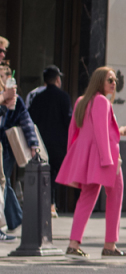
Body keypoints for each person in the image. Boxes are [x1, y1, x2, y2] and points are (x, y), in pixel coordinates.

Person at [59, 67, 126, 258]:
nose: (114, 83)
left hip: (86, 156)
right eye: (110, 80)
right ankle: (109, 245)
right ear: (100, 81)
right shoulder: (101, 101)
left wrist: (73, 158)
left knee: (86, 197)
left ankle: (73, 244)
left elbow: (74, 131)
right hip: (104, 157)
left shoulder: (82, 101)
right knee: (115, 195)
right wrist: (109, 161)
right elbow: (100, 133)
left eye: (114, 80)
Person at [0, 64, 40, 237]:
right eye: (2, 77)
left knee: (4, 182)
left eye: (6, 77)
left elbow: (26, 121)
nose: (5, 80)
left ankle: (14, 219)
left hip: (7, 148)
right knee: (3, 182)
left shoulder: (16, 100)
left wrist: (33, 143)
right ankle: (15, 218)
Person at [28, 66, 72, 204]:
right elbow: (68, 120)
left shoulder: (37, 98)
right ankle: (49, 202)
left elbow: (30, 119)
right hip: (59, 144)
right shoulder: (63, 97)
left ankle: (48, 202)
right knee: (58, 173)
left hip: (41, 142)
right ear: (58, 80)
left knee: (45, 172)